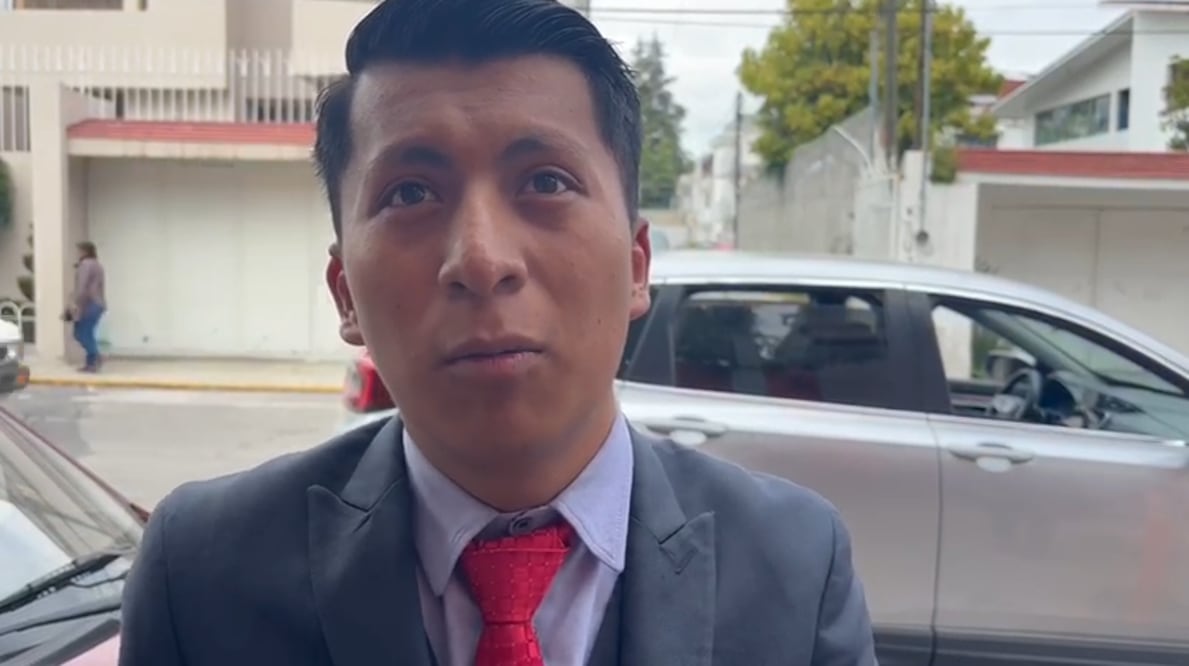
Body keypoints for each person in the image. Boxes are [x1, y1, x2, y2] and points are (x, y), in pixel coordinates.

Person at [118, 0, 878, 664]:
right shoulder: (203, 574)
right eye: (410, 193)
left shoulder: (795, 564)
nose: (481, 260)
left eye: (546, 181)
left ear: (636, 265)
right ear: (345, 291)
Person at [71, 240, 105, 372]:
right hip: (97, 303)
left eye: (78, 251)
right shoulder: (97, 264)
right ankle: (91, 363)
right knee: (87, 333)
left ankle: (95, 357)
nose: (77, 253)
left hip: (89, 303)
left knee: (81, 333)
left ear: (84, 251)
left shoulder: (86, 264)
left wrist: (75, 304)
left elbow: (82, 286)